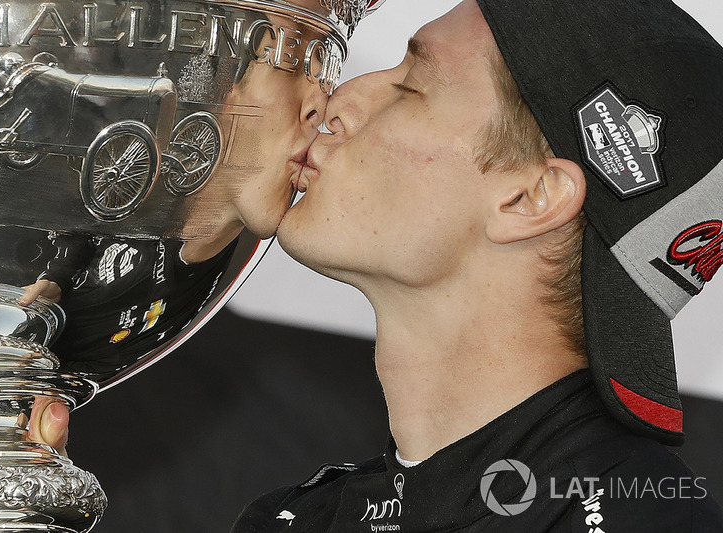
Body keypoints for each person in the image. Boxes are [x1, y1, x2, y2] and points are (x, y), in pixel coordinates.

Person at [231, 0, 723, 530]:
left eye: (412, 85)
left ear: (530, 197)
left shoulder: (635, 518)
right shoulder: (298, 518)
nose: (338, 102)